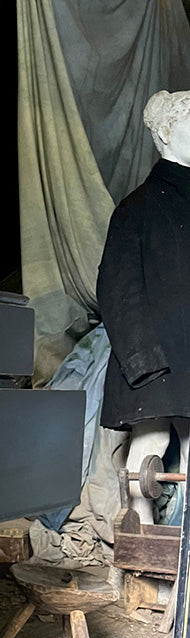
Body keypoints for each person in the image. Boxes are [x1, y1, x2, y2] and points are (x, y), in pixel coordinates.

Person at [98, 89, 190, 523]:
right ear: (167, 135)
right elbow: (118, 292)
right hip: (156, 359)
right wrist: (142, 362)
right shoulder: (135, 210)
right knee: (149, 444)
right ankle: (144, 545)